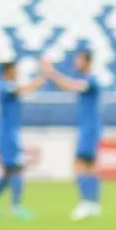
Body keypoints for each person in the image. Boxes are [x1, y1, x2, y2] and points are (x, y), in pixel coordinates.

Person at [42, 52, 103, 220]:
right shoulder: (88, 80)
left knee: (79, 164)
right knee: (90, 166)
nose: (76, 62)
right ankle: (93, 204)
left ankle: (85, 203)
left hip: (89, 128)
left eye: (79, 59)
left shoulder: (90, 81)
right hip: (89, 127)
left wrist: (51, 72)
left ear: (87, 61)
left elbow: (69, 86)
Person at [0, 61, 44, 220]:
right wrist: (43, 77)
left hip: (8, 133)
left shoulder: (4, 86)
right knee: (16, 169)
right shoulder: (4, 86)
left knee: (8, 172)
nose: (17, 73)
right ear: (8, 71)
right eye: (15, 70)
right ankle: (16, 208)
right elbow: (24, 89)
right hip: (7, 134)